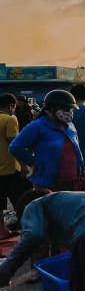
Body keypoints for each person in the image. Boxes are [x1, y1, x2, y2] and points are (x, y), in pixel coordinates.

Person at [10, 90, 85, 192]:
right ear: (52, 108)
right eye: (66, 108)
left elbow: (77, 151)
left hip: (73, 182)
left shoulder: (70, 126)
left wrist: (84, 172)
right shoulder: (37, 126)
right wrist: (33, 163)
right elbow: (15, 147)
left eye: (70, 109)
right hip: (48, 185)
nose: (69, 112)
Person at [0, 94, 25, 239]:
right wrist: (24, 165)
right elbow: (15, 146)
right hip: (10, 168)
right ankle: (26, 228)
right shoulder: (10, 120)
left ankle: (2, 231)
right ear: (10, 106)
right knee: (20, 200)